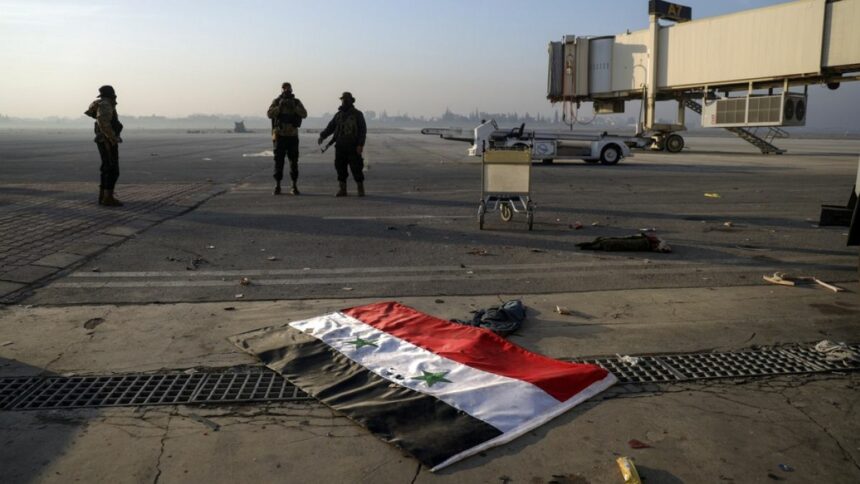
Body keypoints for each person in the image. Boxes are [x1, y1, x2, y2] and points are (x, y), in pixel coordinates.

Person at [318, 92, 367, 197]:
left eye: (346, 99)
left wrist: (360, 144)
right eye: (343, 99)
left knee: (356, 168)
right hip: (340, 146)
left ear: (351, 101)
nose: (344, 101)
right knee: (340, 168)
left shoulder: (357, 114)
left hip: (353, 147)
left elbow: (362, 131)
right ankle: (342, 189)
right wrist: (322, 136)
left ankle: (360, 188)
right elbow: (330, 127)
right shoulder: (338, 115)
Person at [84, 85, 124, 206]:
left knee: (107, 167)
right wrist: (112, 137)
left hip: (103, 139)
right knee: (112, 169)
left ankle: (104, 196)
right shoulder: (106, 104)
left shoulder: (101, 103)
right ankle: (108, 198)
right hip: (107, 140)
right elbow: (103, 121)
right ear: (112, 94)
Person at [267, 82, 308, 195]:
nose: (286, 90)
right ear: (282, 90)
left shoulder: (296, 102)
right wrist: (280, 107)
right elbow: (269, 114)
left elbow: (304, 114)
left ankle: (294, 186)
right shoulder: (277, 101)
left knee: (293, 162)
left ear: (291, 89)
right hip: (280, 136)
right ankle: (278, 185)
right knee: (278, 162)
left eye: (288, 88)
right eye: (284, 88)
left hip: (292, 136)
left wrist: (294, 107)